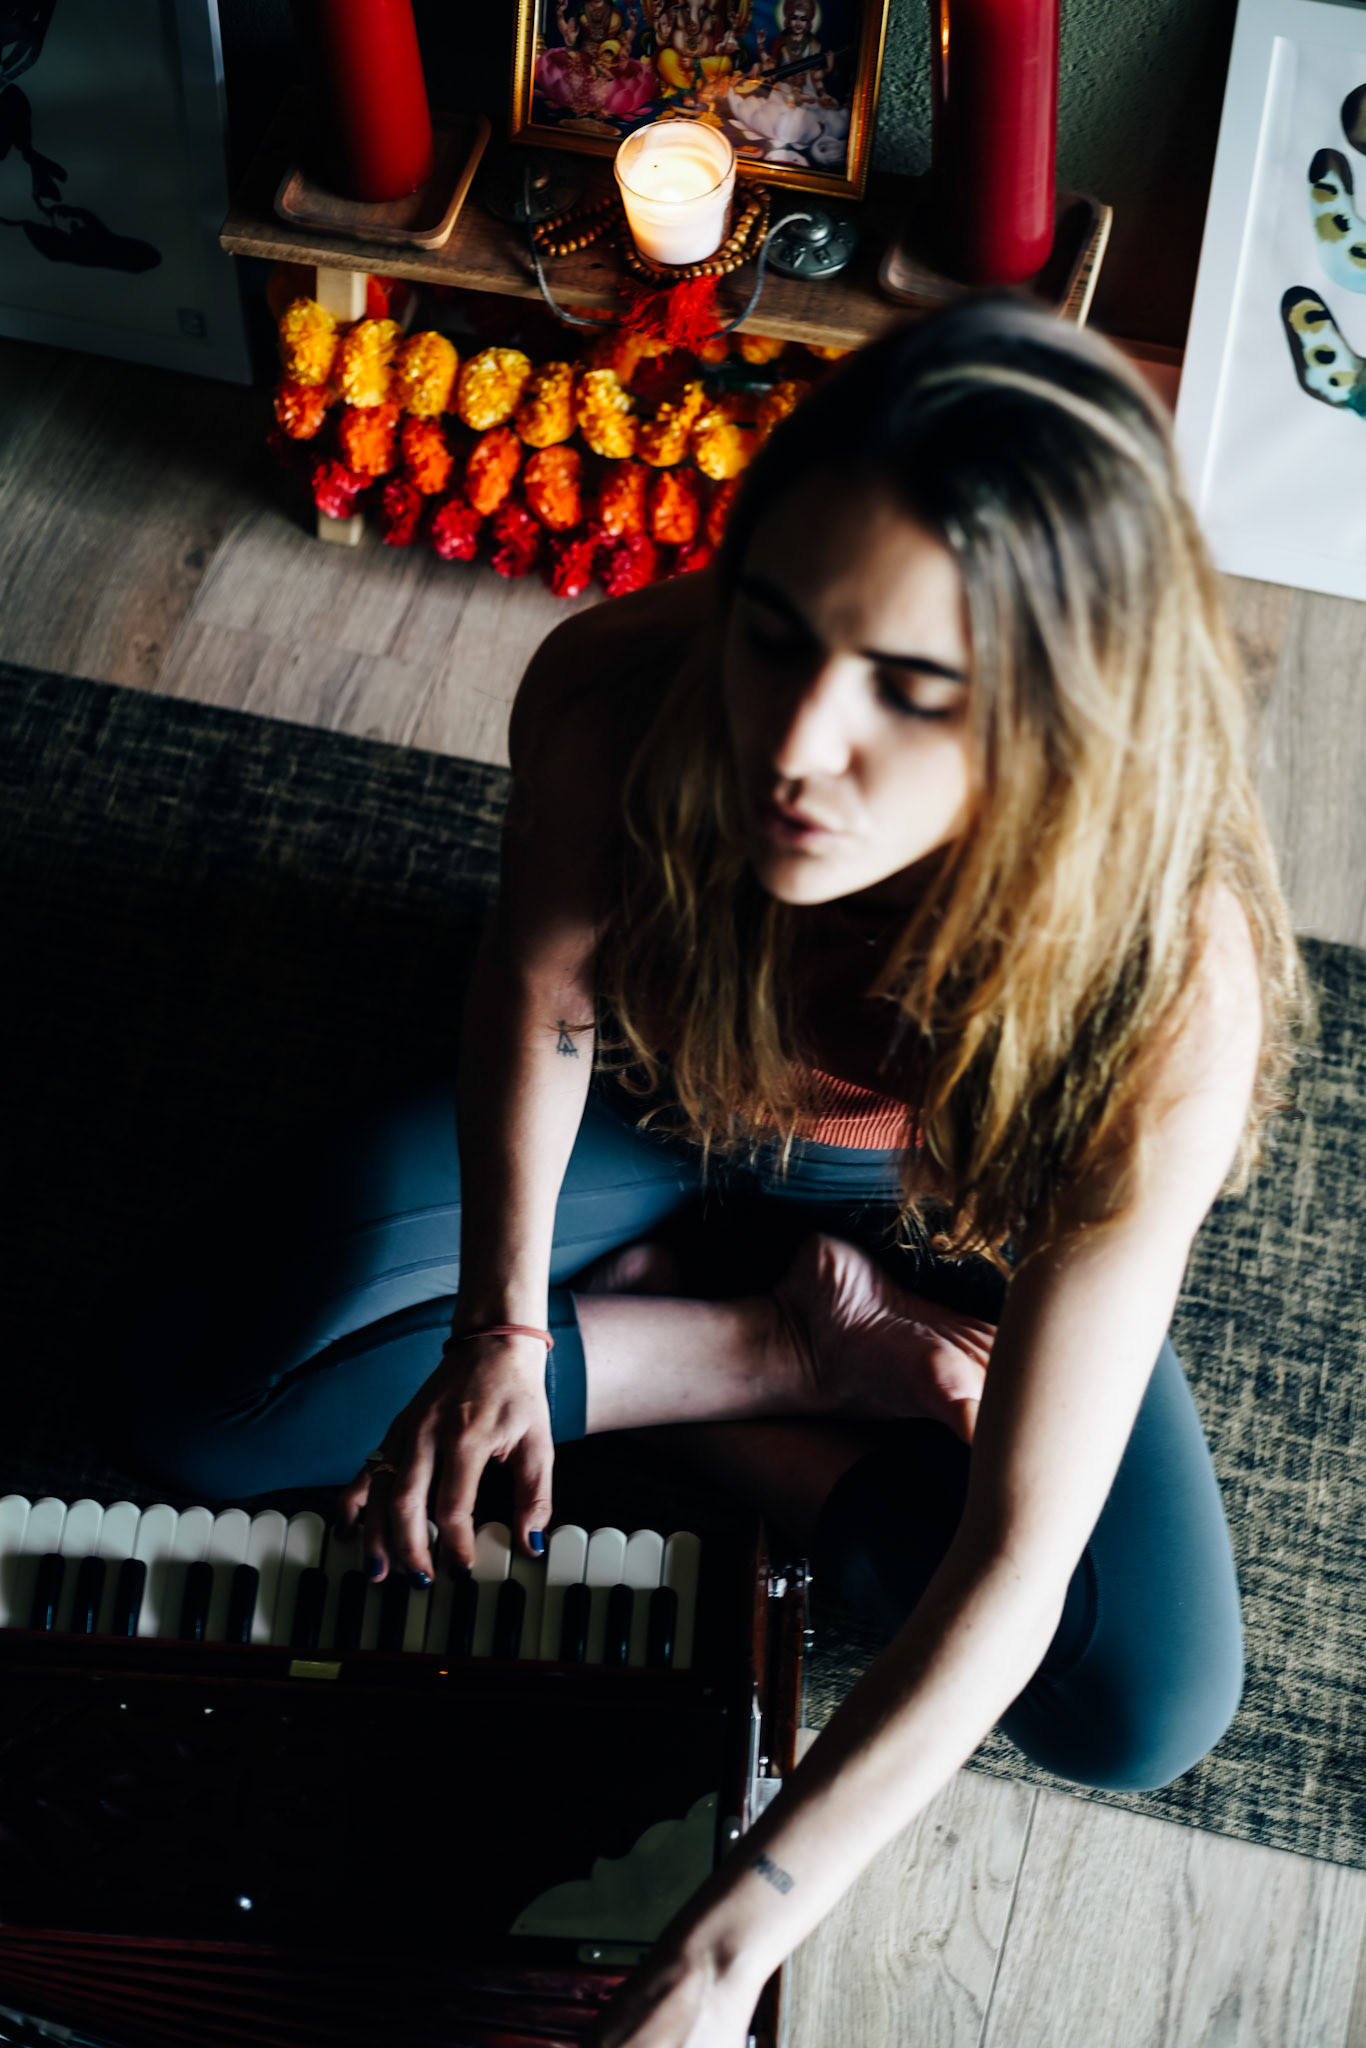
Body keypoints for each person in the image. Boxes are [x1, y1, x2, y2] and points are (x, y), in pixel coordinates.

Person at [125, 297, 1307, 2047]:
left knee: (1143, 1699)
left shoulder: (1167, 979)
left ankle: (728, 1354)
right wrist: (499, 1332)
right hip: (664, 1105)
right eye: (774, 634)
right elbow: (540, 1000)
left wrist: (723, 1946)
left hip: (948, 1201)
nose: (795, 747)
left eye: (912, 691)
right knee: (193, 1410)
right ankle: (771, 1351)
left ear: (1065, 711)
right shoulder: (619, 689)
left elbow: (1017, 1554)